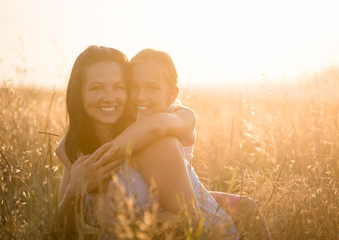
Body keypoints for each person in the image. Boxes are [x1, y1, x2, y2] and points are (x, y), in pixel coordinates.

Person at [55, 45, 235, 238]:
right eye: (96, 87)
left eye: (119, 87)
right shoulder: (77, 150)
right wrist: (75, 191)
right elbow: (62, 233)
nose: (109, 97)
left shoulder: (153, 142)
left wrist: (125, 225)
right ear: (78, 93)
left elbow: (189, 222)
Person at [126, 48, 272, 239]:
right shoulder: (135, 122)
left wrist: (111, 149)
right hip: (189, 208)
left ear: (172, 94)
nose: (140, 96)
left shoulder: (174, 120)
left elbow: (155, 128)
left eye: (152, 88)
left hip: (208, 226)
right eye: (133, 87)